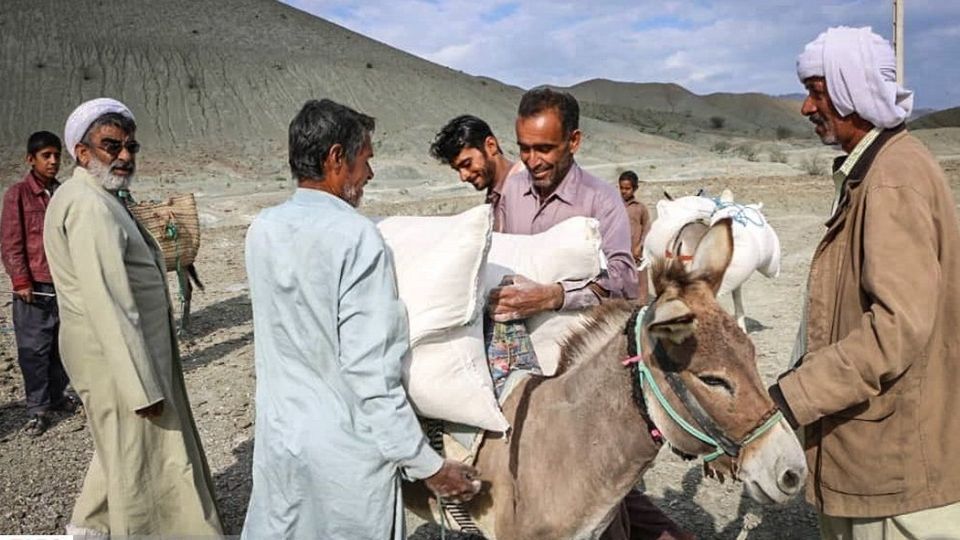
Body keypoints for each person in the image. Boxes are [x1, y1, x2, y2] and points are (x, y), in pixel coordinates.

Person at [242, 99, 481, 540]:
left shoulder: (263, 229)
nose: (369, 174)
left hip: (280, 441)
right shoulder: (357, 237)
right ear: (337, 158)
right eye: (365, 160)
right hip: (343, 458)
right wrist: (427, 465)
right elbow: (371, 373)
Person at [767, 27, 960, 539]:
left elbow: (894, 329)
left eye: (817, 92)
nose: (807, 108)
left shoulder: (893, 179)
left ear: (853, 92)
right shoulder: (878, 170)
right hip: (875, 454)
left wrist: (792, 397)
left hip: (893, 468)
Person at [491, 88, 689, 540]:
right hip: (523, 363)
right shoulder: (510, 194)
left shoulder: (602, 201)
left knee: (599, 492)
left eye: (544, 148)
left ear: (574, 141)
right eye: (524, 147)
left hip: (584, 374)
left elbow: (621, 281)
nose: (532, 159)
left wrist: (554, 296)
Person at [44, 98, 222, 537]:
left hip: (120, 355)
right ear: (81, 152)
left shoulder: (99, 196)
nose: (124, 156)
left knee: (121, 452)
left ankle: (91, 527)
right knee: (152, 460)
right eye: (111, 146)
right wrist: (141, 384)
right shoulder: (89, 206)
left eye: (130, 146)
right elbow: (108, 300)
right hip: (118, 361)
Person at [1, 131, 77, 436]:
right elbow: (11, 241)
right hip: (33, 288)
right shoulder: (17, 194)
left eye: (57, 155)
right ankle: (37, 409)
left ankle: (57, 398)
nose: (53, 161)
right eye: (46, 156)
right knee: (34, 351)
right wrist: (20, 279)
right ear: (30, 159)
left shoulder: (62, 193)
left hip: (63, 284)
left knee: (62, 346)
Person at [429, 114, 522, 231]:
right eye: (457, 169)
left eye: (467, 164)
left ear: (491, 146)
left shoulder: (526, 190)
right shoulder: (495, 197)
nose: (463, 177)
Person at [619, 170, 652, 301]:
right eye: (621, 188)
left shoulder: (640, 208)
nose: (623, 191)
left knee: (640, 281)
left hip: (636, 252)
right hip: (619, 251)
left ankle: (642, 306)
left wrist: (640, 246)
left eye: (627, 188)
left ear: (635, 188)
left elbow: (647, 228)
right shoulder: (615, 205)